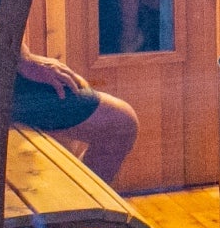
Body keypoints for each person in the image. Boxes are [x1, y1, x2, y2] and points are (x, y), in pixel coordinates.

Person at [14, 44, 140, 182]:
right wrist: (25, 61)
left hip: (3, 70)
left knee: (77, 83)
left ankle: (76, 195)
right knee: (121, 122)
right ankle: (85, 199)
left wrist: (25, 58)